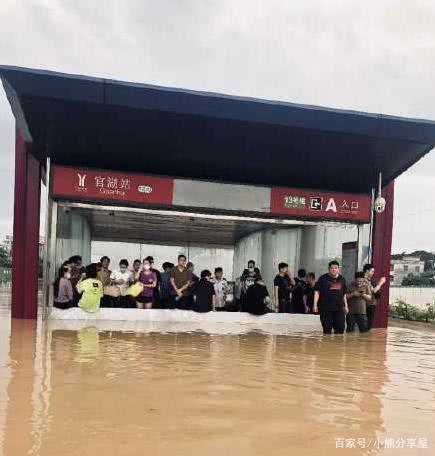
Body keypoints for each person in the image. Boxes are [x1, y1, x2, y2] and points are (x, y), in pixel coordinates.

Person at [313, 261, 349, 334]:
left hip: (339, 308)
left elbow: (344, 294)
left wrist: (346, 305)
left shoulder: (342, 279)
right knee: (327, 330)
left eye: (336, 268)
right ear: (329, 269)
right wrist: (315, 304)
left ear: (338, 269)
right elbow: (317, 292)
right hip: (326, 309)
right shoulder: (323, 279)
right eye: (332, 268)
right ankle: (327, 345)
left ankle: (337, 345)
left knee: (340, 329)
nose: (334, 270)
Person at [363, 263, 387, 330]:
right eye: (372, 271)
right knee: (367, 326)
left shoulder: (370, 281)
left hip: (371, 304)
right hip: (367, 305)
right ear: (367, 271)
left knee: (369, 326)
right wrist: (381, 282)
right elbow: (373, 291)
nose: (373, 273)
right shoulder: (364, 280)